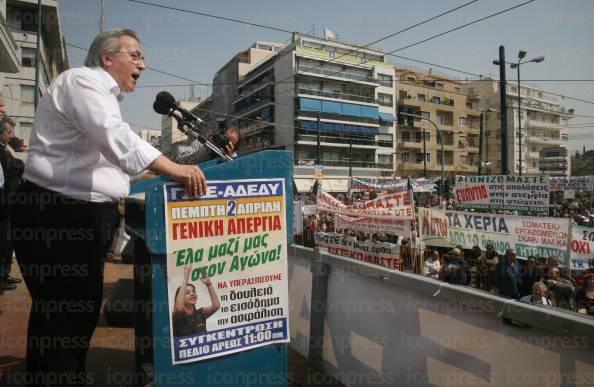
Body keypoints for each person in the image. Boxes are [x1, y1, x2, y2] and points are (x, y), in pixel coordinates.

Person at [11, 29, 209, 387]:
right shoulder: (82, 82)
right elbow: (118, 140)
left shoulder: (101, 98)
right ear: (106, 58)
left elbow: (113, 169)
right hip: (57, 215)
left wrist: (157, 172)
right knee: (65, 316)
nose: (142, 64)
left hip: (74, 215)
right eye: (134, 55)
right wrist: (176, 169)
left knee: (71, 314)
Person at [0, 115, 24, 291]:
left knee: (8, 241)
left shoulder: (5, 147)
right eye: (8, 132)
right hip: (4, 201)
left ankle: (5, 273)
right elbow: (10, 165)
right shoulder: (1, 150)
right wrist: (22, 163)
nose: (10, 135)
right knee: (4, 241)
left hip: (9, 201)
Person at [172, 265, 221, 337]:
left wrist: (209, 284)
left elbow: (216, 306)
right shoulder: (177, 314)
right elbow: (178, 307)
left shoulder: (201, 313)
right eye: (187, 293)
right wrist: (185, 279)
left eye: (194, 291)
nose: (192, 294)